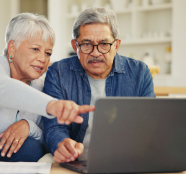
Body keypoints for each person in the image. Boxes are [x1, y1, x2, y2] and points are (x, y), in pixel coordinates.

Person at [0, 13, 94, 162]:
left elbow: (47, 136)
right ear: (12, 48)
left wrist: (28, 126)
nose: (42, 59)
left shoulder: (40, 86)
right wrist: (52, 105)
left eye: (48, 53)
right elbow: (4, 90)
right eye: (35, 49)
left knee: (31, 147)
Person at [43, 7, 155, 163]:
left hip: (126, 161)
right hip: (75, 162)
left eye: (104, 44)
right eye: (86, 44)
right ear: (75, 47)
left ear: (116, 45)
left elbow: (149, 125)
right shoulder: (58, 73)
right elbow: (54, 126)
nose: (95, 53)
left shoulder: (139, 73)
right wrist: (62, 144)